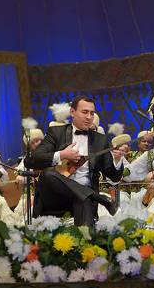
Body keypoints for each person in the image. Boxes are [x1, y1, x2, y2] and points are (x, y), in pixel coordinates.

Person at [24, 96, 125, 226]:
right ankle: (97, 197)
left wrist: (117, 159)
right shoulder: (56, 133)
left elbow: (114, 178)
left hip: (83, 197)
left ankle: (87, 236)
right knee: (47, 174)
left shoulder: (100, 140)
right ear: (72, 112)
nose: (89, 117)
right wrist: (62, 154)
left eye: (92, 113)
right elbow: (30, 161)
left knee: (82, 198)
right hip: (55, 196)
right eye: (85, 112)